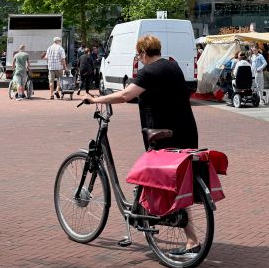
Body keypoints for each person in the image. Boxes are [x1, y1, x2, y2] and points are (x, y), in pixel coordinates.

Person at [82, 34, 199, 254]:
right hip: (187, 131)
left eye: (139, 55)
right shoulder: (173, 66)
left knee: (160, 178)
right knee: (178, 182)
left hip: (163, 135)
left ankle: (190, 239)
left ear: (144, 52)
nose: (140, 59)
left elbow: (125, 96)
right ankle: (159, 219)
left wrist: (95, 99)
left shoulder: (148, 72)